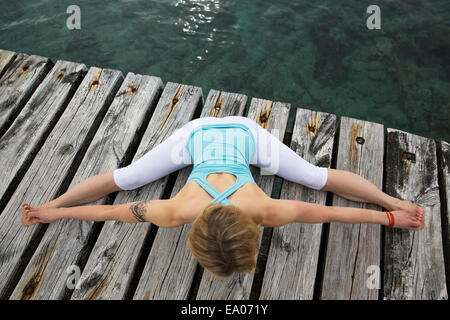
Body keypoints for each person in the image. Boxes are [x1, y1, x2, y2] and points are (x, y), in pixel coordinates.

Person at [21, 116, 424, 279]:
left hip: (207, 135)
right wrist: (389, 212)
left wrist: (54, 210)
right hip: (234, 134)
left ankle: (392, 198)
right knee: (318, 178)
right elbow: (332, 211)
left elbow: (110, 208)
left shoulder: (179, 210)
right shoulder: (180, 211)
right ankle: (391, 196)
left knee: (126, 179)